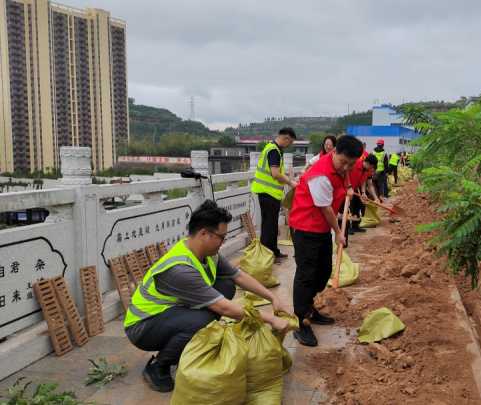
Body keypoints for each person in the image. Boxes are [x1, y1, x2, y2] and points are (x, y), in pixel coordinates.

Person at [124, 200, 291, 392]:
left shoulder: (207, 254)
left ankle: (187, 344)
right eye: (221, 237)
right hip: (143, 326)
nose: (223, 242)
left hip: (168, 313)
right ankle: (159, 366)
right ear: (204, 233)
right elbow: (226, 309)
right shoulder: (180, 269)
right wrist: (270, 319)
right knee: (202, 320)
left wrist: (273, 298)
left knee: (226, 285)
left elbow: (239, 276)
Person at [288, 135, 364, 346]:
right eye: (343, 162)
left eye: (351, 164)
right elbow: (327, 209)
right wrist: (339, 232)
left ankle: (309, 308)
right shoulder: (320, 174)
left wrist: (348, 186)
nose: (346, 167)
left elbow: (345, 174)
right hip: (305, 227)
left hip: (319, 229)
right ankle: (301, 322)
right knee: (306, 274)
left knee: (323, 272)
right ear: (334, 152)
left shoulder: (342, 167)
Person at [251, 127, 297, 259]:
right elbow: (275, 174)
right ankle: (267, 255)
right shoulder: (274, 151)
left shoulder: (272, 148)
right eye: (290, 142)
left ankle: (273, 252)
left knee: (270, 225)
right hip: (268, 193)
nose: (289, 145)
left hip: (268, 193)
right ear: (286, 138)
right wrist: (291, 182)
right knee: (269, 226)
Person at [347, 154, 378, 236]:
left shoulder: (366, 170)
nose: (371, 170)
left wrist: (363, 192)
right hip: (347, 189)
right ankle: (347, 228)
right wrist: (349, 187)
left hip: (356, 189)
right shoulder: (355, 164)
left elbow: (363, 182)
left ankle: (355, 226)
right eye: (371, 167)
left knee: (358, 206)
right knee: (349, 208)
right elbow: (346, 174)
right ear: (368, 163)